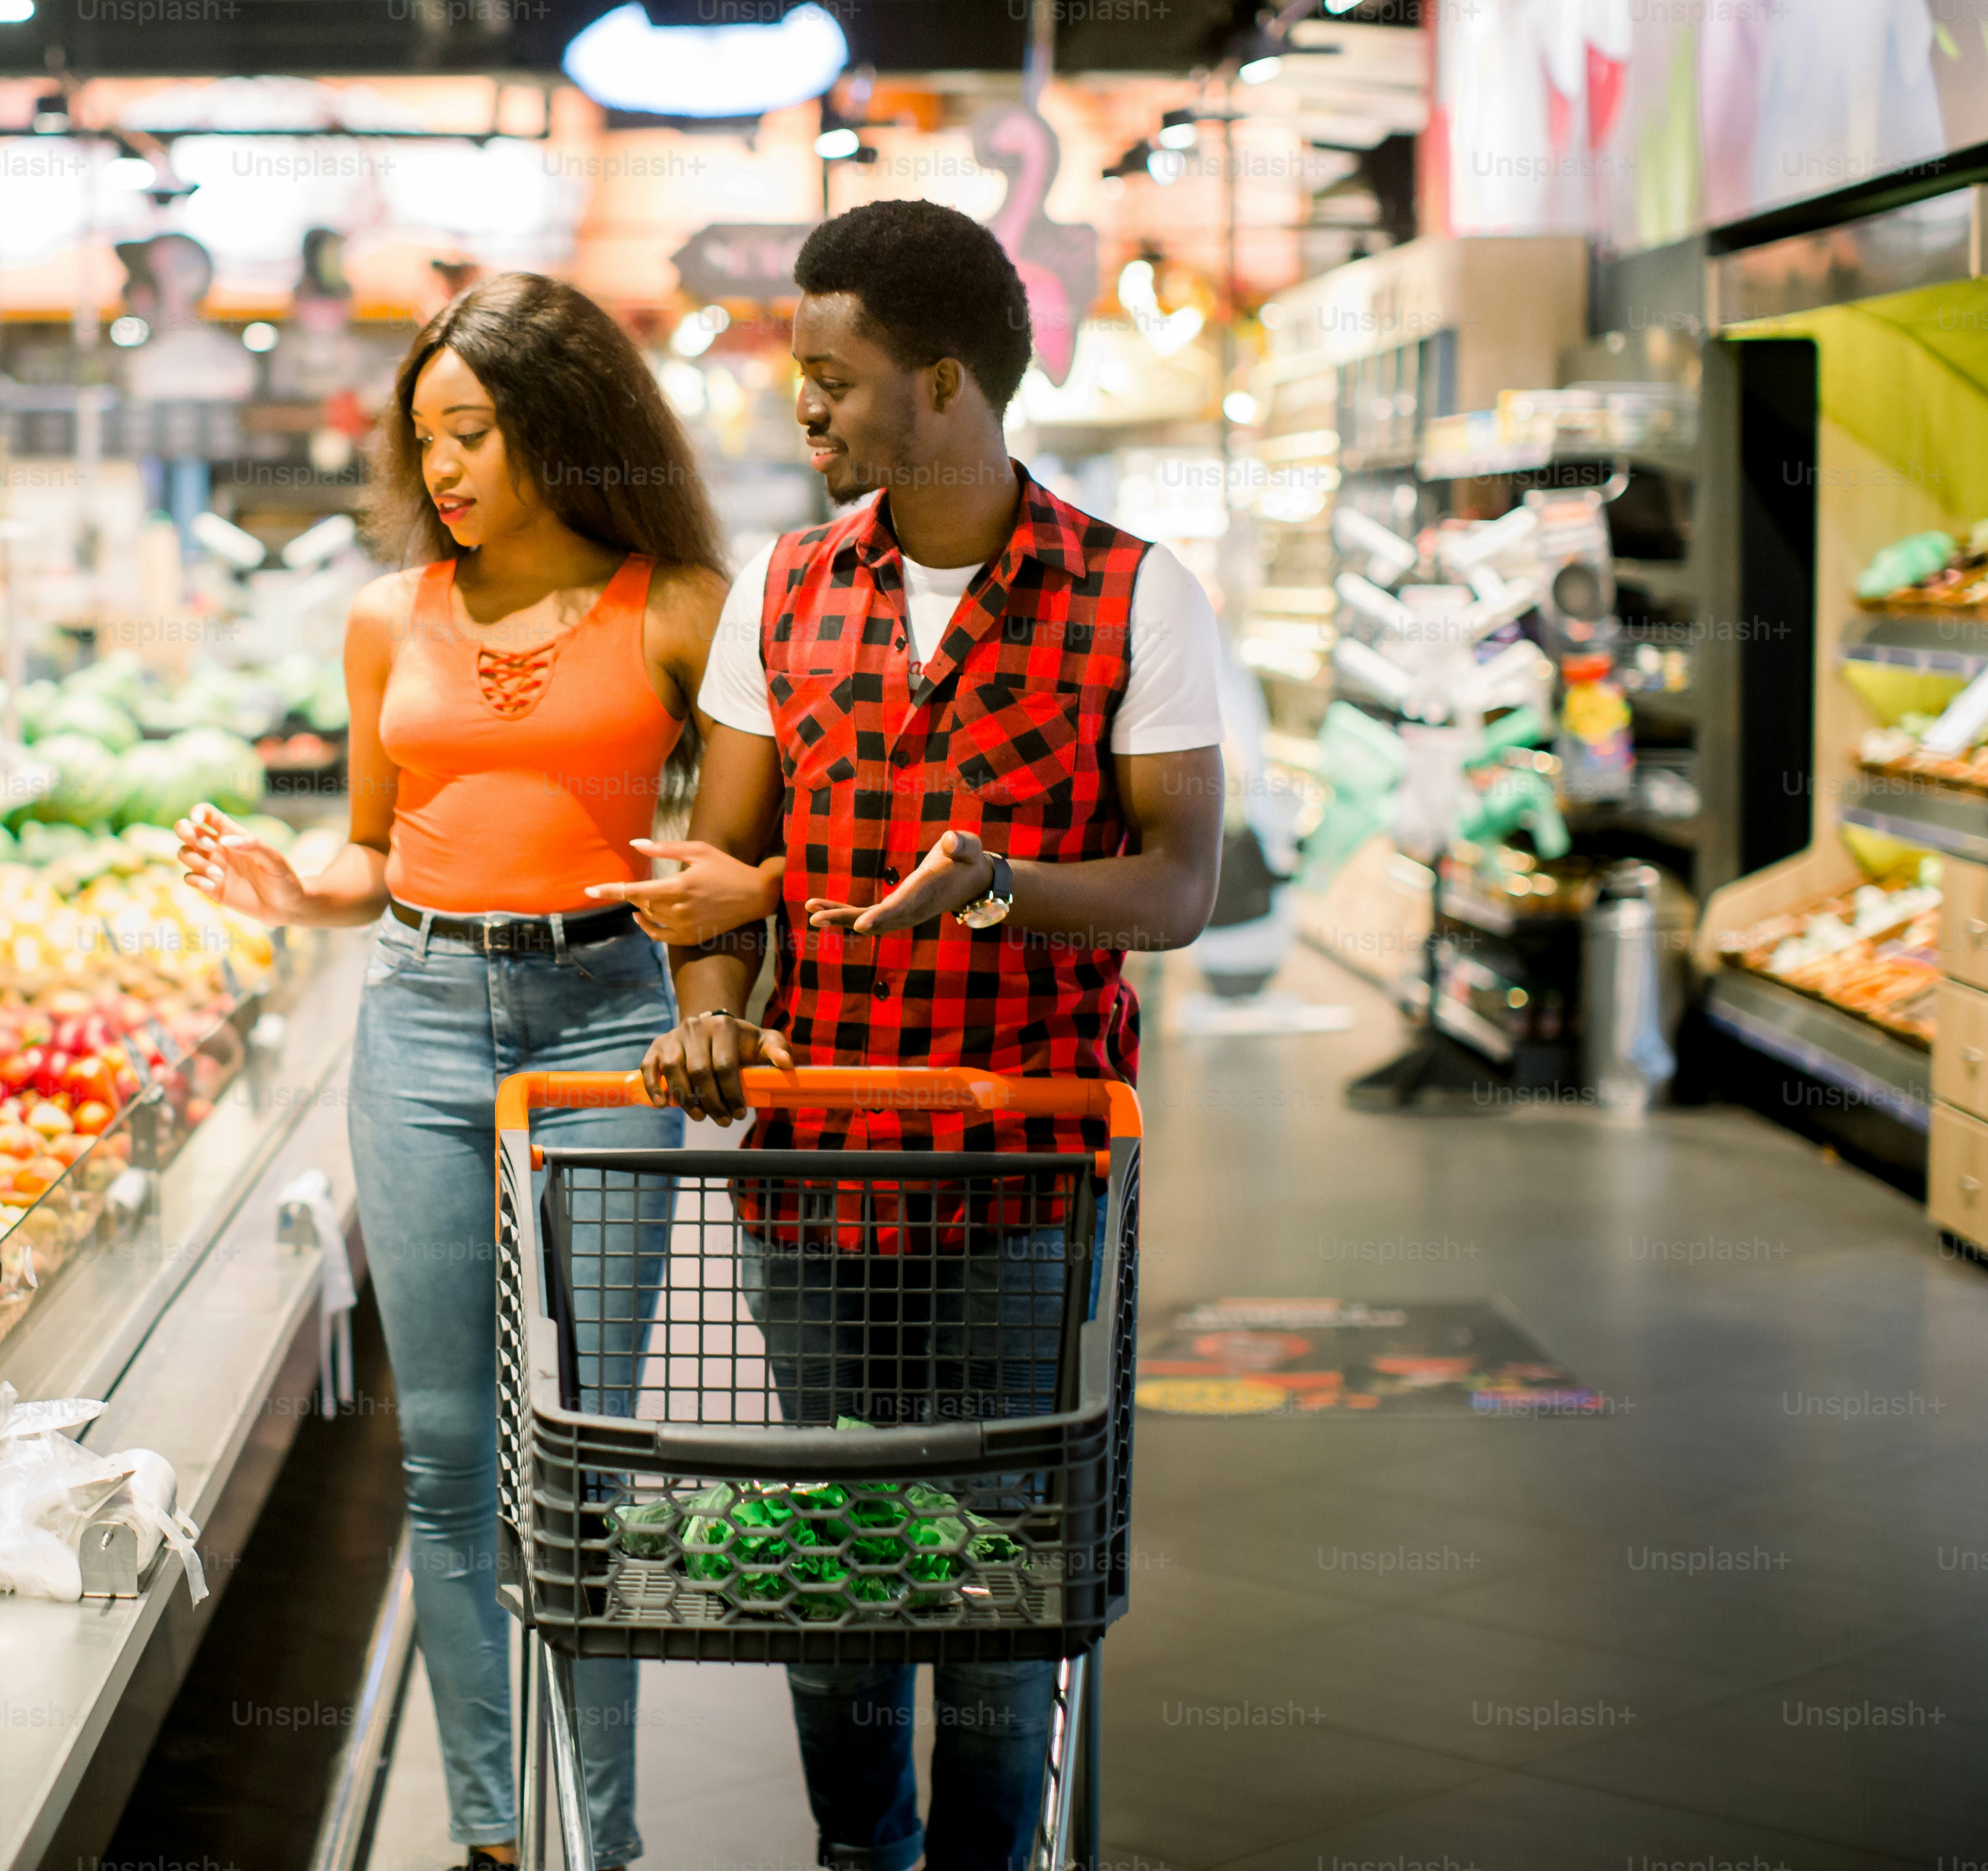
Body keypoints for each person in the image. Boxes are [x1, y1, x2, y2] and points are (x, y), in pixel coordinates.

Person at [639, 200, 1225, 1871]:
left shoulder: (1130, 595)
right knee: (833, 1559)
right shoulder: (785, 584)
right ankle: (856, 1852)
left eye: (831, 378)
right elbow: (720, 882)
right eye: (794, 378)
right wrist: (706, 1021)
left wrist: (998, 889)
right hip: (813, 1165)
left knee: (996, 1569)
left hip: (1029, 1170)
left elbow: (1174, 888)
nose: (800, 412)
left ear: (945, 381)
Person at [177, 271, 768, 1871]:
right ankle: (498, 1837)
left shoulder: (681, 605)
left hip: (603, 1027)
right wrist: (292, 884)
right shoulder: (388, 616)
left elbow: (731, 862)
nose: (440, 468)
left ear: (562, 427)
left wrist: (703, 958)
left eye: (475, 433)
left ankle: (607, 1833)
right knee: (444, 1457)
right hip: (423, 1015)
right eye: (424, 436)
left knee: (589, 1449)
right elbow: (373, 851)